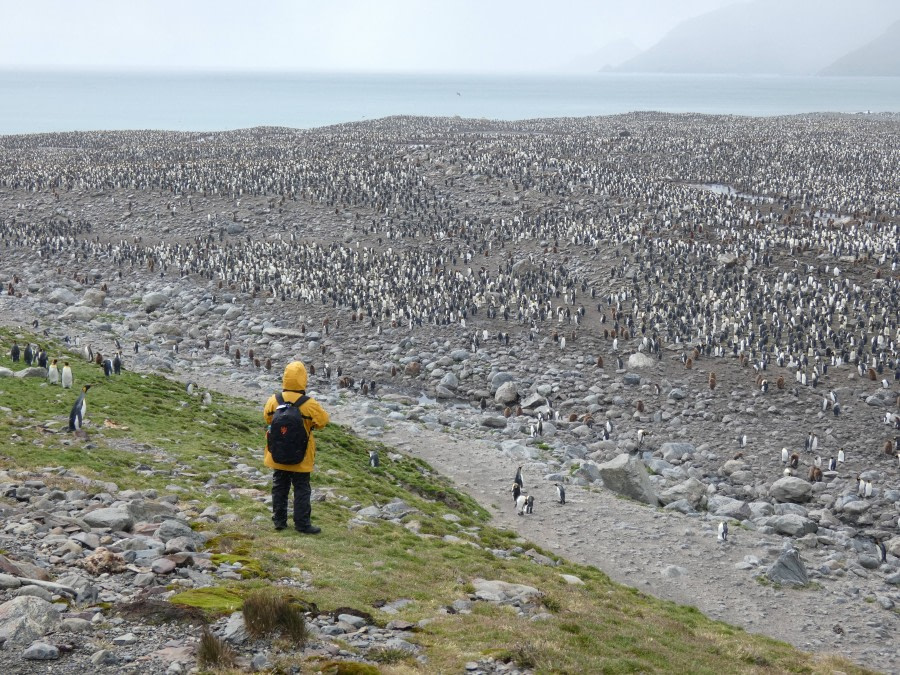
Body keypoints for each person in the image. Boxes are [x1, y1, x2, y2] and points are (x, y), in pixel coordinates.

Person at [263, 360, 329, 533]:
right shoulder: (309, 404)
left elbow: (267, 418)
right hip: (302, 455)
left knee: (279, 486)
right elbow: (323, 422)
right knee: (301, 488)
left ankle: (279, 520)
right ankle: (302, 524)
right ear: (303, 379)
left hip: (277, 453)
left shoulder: (274, 400)